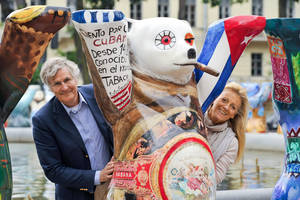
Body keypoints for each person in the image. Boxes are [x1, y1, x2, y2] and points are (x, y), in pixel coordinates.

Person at [32, 57, 114, 200]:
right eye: (57, 83)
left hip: (115, 187)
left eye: (67, 80)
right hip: (75, 195)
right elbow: (53, 170)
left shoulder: (98, 94)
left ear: (76, 79)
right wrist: (97, 177)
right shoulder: (43, 120)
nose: (64, 87)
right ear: (50, 88)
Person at [204, 82, 249, 184]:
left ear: (234, 115)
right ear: (214, 98)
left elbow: (216, 178)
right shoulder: (193, 117)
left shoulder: (231, 143)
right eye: (224, 100)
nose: (226, 107)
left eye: (233, 107)